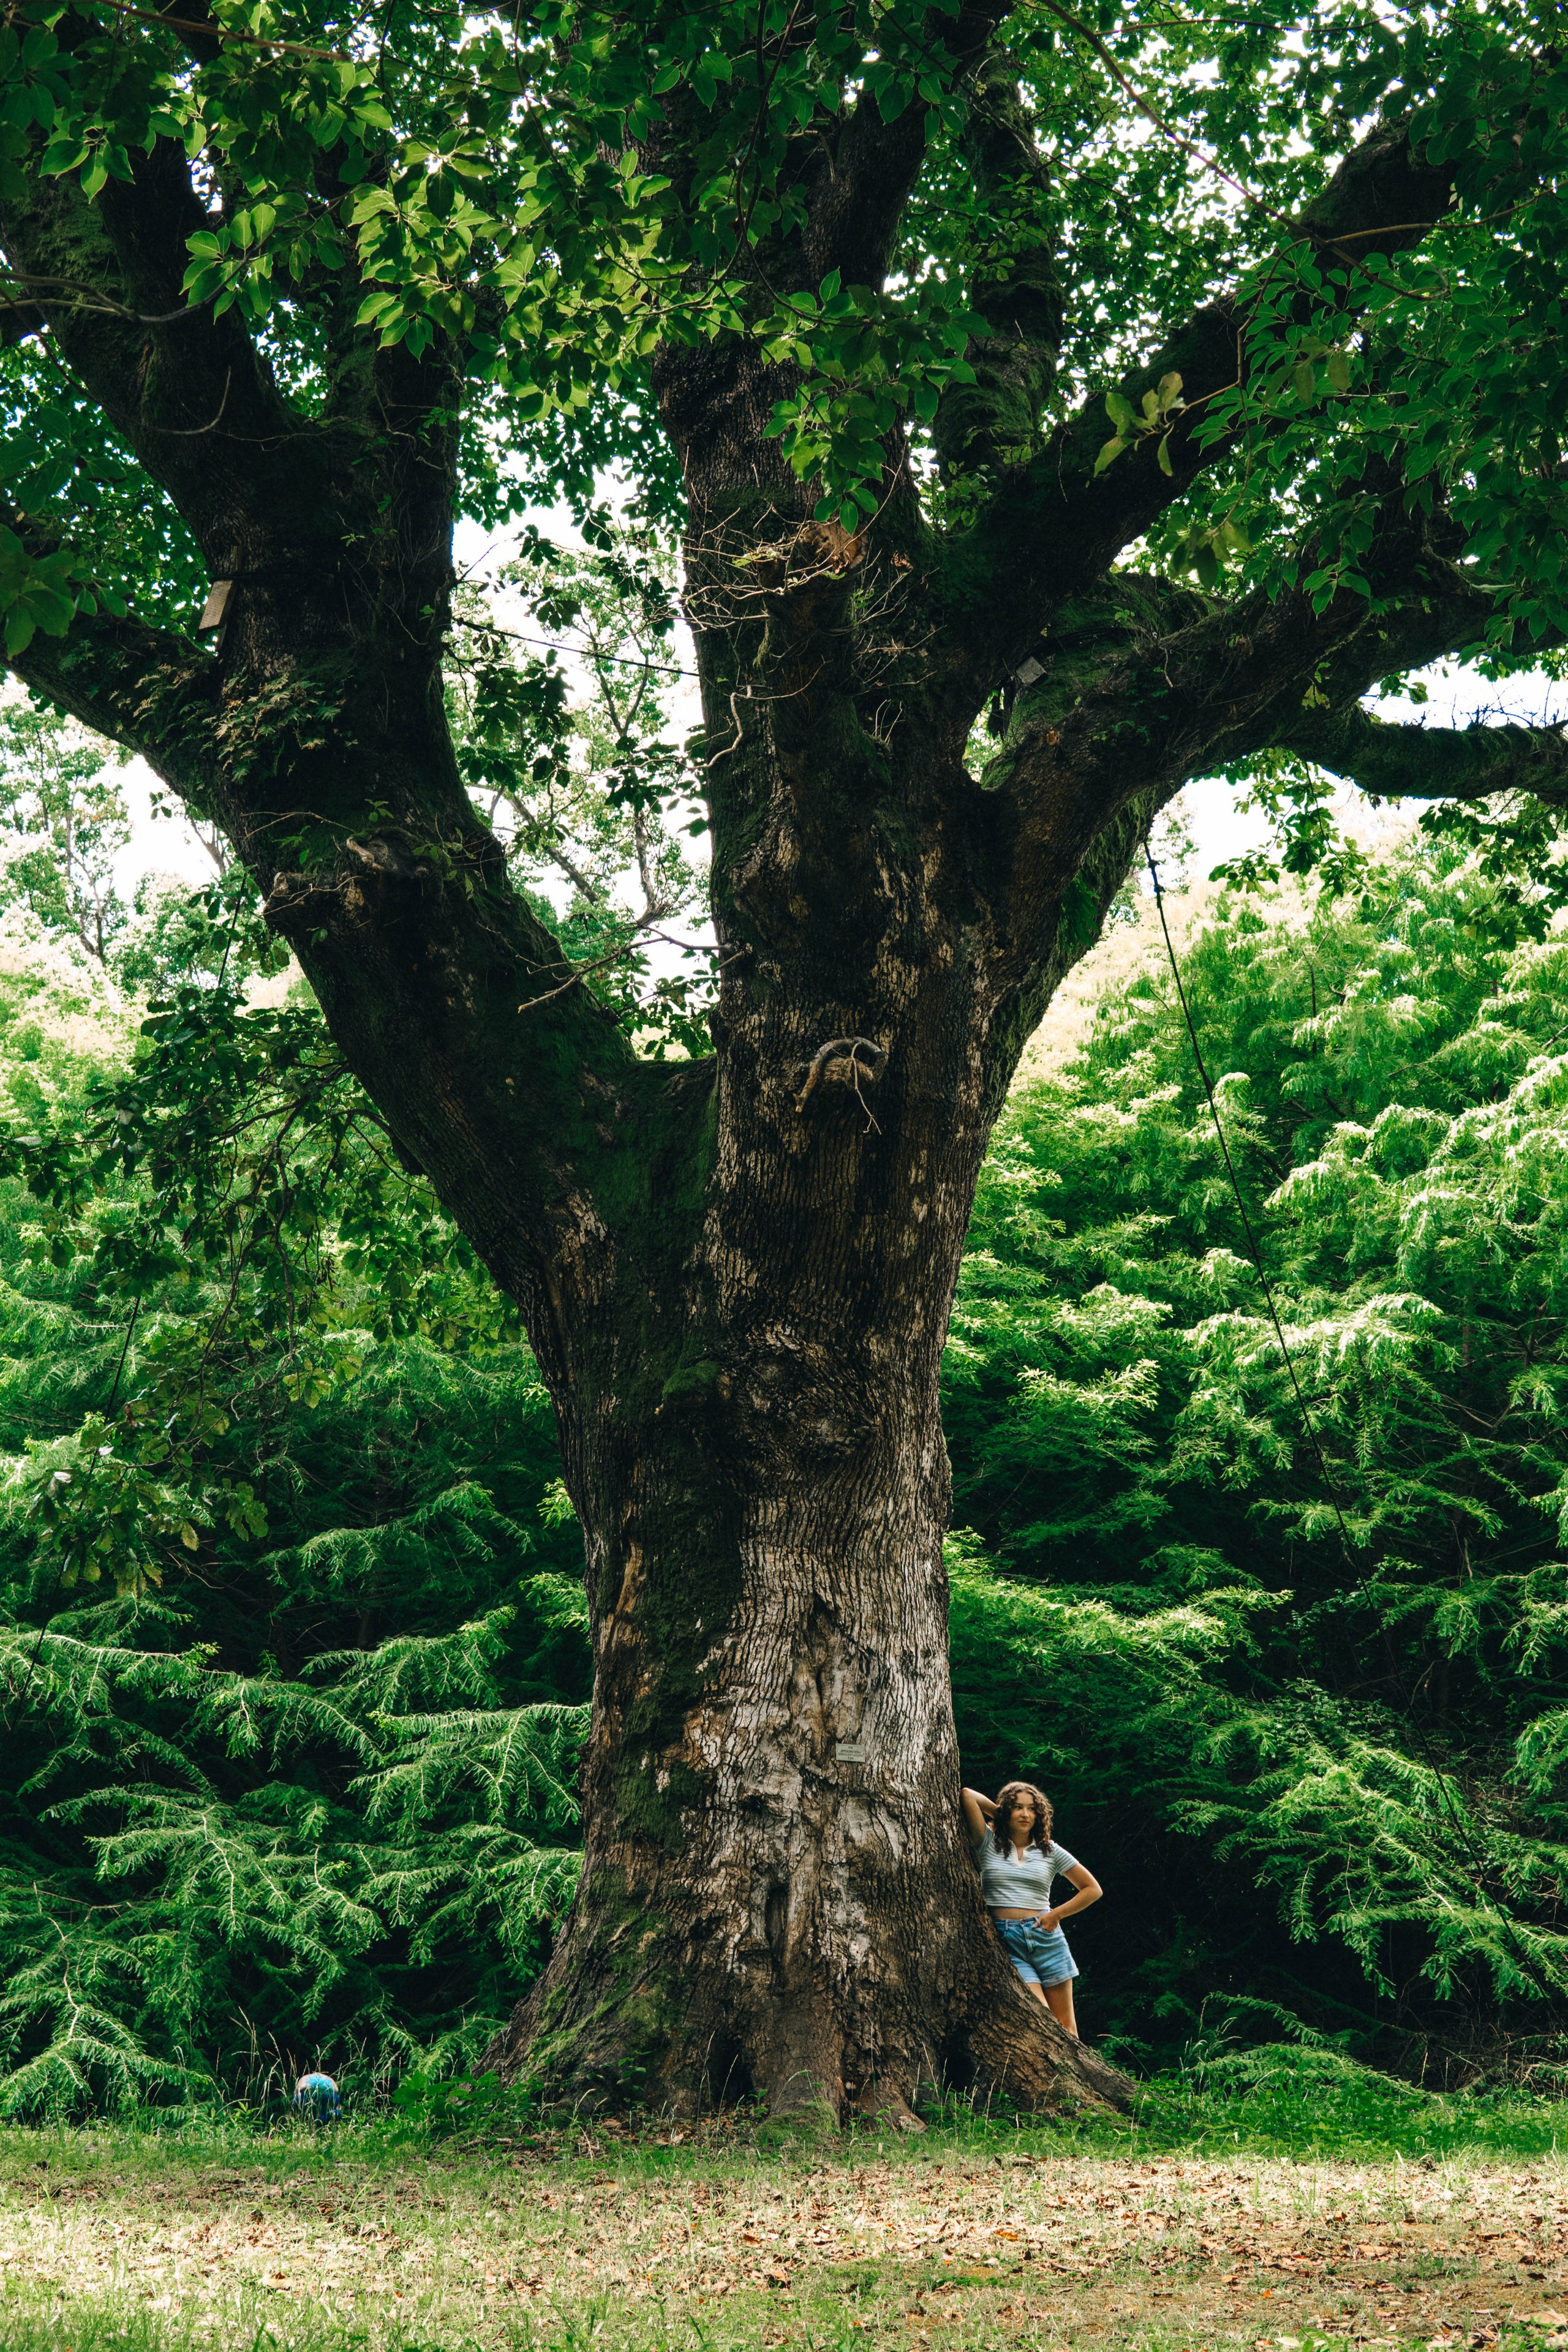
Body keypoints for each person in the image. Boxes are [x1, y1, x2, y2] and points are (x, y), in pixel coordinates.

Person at [961, 1780, 1102, 2037]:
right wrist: (1001, 1815)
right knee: (1041, 2020)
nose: (1025, 1814)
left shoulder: (1049, 1850)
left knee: (1067, 2027)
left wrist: (1056, 1915)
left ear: (1040, 1815)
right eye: (1017, 1808)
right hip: (1007, 1942)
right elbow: (968, 1795)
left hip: (1045, 1937)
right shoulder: (987, 1842)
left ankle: (1068, 2078)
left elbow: (1092, 1889)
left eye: (1031, 1809)